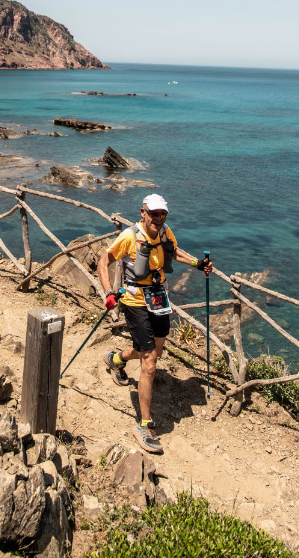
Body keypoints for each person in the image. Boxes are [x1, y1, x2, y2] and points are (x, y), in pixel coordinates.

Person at [97, 193, 212, 453]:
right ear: (143, 212)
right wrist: (108, 292)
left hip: (160, 299)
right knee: (149, 363)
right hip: (136, 302)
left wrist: (197, 263)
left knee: (154, 353)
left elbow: (174, 251)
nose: (158, 219)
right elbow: (104, 262)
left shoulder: (165, 232)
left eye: (163, 214)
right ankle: (145, 424)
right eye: (154, 214)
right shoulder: (129, 237)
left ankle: (115, 359)